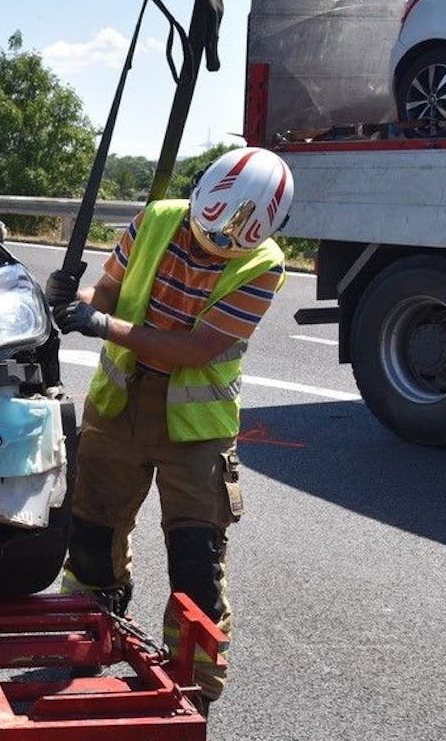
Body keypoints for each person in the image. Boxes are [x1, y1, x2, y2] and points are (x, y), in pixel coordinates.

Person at [52, 146, 293, 712]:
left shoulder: (264, 263)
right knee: (91, 531)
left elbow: (197, 348)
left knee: (196, 551)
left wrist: (102, 323)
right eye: (209, 234)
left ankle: (195, 674)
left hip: (195, 427)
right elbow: (107, 292)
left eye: (230, 244)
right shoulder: (158, 218)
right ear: (201, 199)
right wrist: (74, 302)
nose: (215, 248)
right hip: (120, 403)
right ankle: (91, 633)